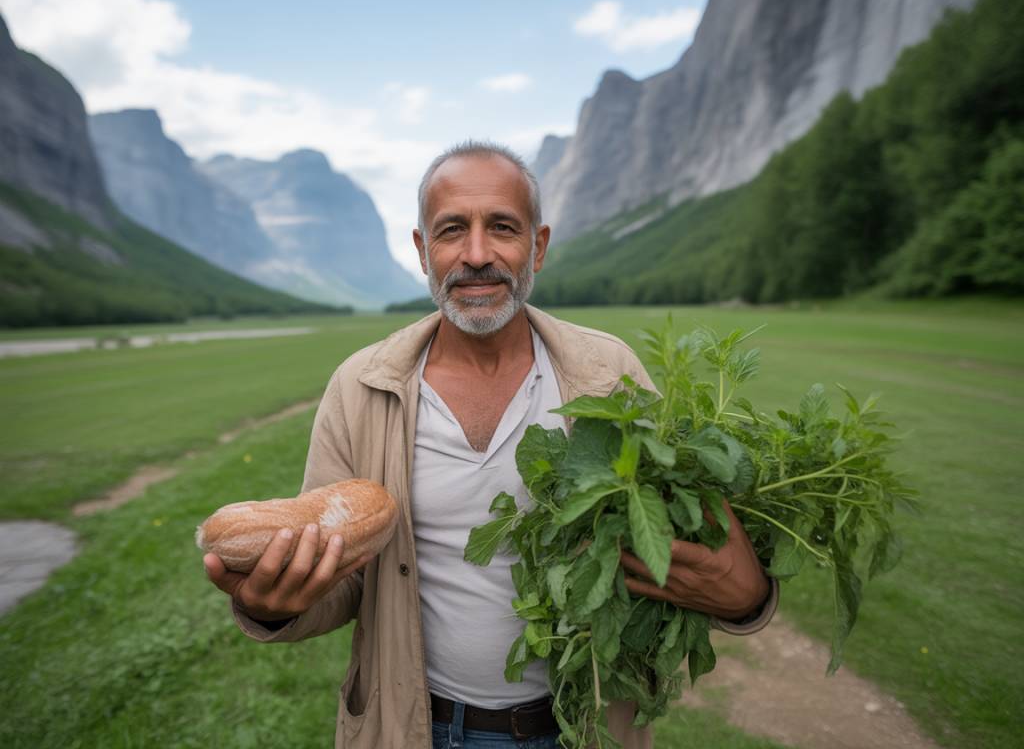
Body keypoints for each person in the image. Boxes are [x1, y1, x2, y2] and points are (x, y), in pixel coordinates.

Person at [203, 141, 778, 749]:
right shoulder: (362, 386)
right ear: (424, 250)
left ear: (539, 245)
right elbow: (342, 582)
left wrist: (748, 600)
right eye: (452, 230)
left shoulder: (611, 373)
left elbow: (681, 543)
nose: (477, 255)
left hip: (579, 728)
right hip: (418, 729)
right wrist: (276, 605)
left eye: (502, 227)